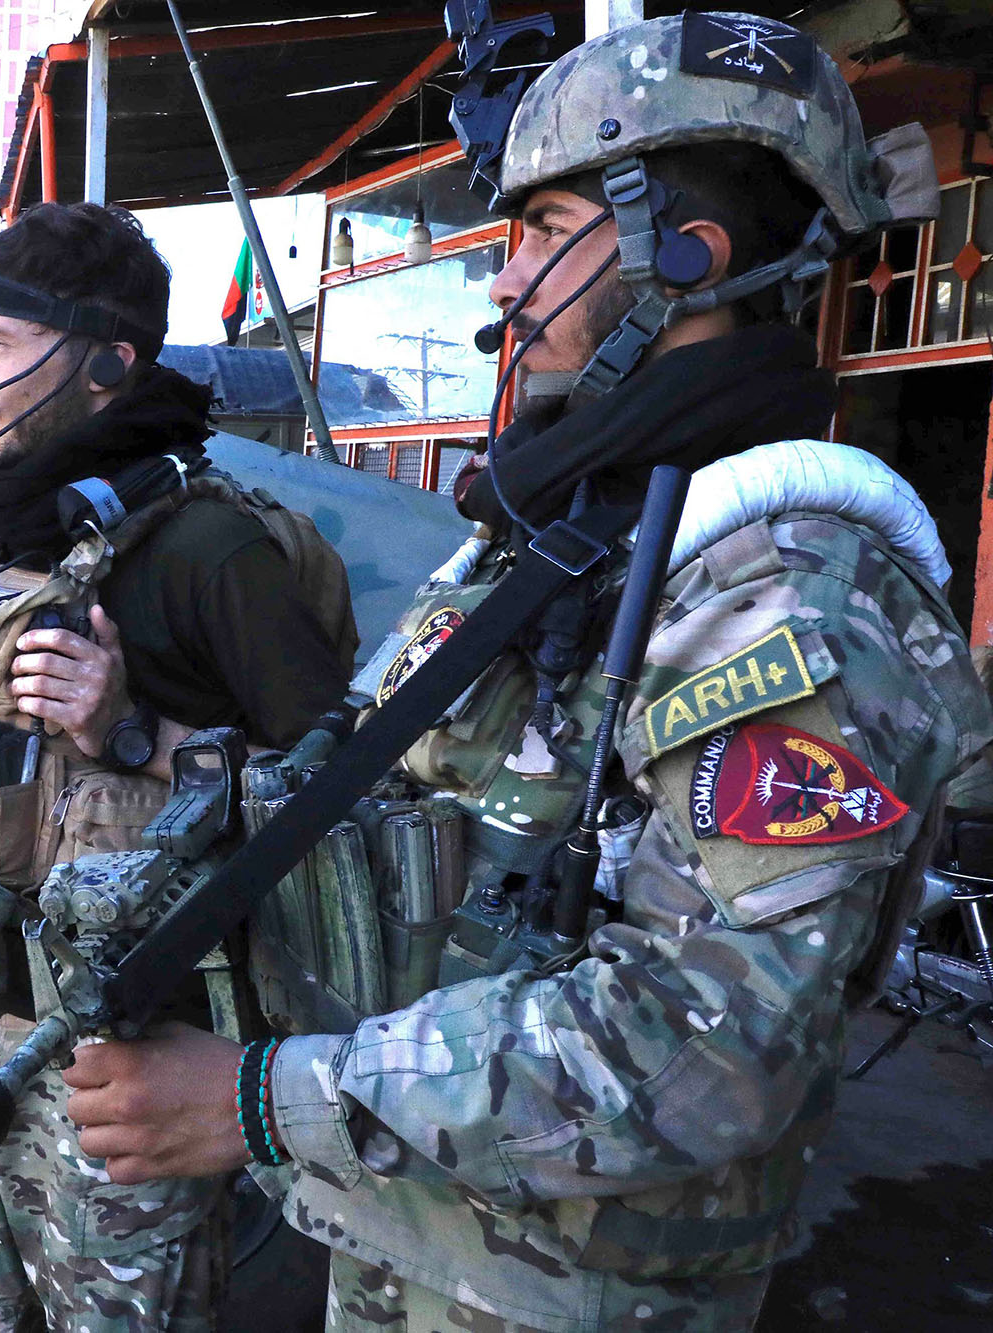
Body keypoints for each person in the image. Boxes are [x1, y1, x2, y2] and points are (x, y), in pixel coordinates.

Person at [57, 13, 993, 1331]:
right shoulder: (574, 538)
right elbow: (390, 800)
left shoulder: (787, 588)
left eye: (546, 231)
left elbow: (710, 1047)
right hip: (421, 1244)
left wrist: (264, 1096)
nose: (505, 284)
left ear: (689, 255)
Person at [0, 201, 357, 1332]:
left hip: (122, 1073)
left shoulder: (207, 547)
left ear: (105, 365)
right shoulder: (9, 537)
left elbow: (343, 804)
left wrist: (134, 730)